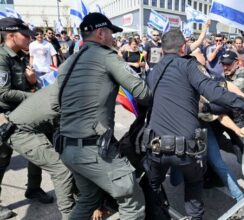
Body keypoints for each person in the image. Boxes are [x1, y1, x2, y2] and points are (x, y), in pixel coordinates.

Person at [143, 29, 244, 220]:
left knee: (152, 187)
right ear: (183, 47)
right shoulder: (188, 65)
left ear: (163, 49)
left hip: (155, 145)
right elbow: (215, 92)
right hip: (185, 148)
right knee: (193, 188)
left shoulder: (153, 71)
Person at [58, 13, 150, 219]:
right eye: (111, 34)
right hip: (93, 149)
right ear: (100, 33)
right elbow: (142, 92)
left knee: (88, 200)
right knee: (132, 202)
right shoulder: (106, 56)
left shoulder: (68, 63)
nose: (113, 39)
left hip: (67, 146)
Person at [0, 17, 54, 219]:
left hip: (26, 114)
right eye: (25, 36)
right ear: (11, 35)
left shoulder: (21, 57)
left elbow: (30, 85)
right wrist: (33, 94)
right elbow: (2, 93)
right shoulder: (2, 58)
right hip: (5, 117)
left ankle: (33, 188)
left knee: (37, 151)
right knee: (2, 158)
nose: (29, 40)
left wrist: (33, 83)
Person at [4, 83, 75, 219]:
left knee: (42, 154)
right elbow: (3, 93)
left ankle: (33, 188)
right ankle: (69, 215)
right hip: (12, 126)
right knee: (61, 169)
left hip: (31, 121)